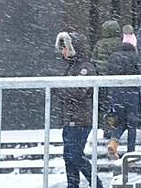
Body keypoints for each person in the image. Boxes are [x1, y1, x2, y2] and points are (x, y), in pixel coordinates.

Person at [55, 31, 104, 188]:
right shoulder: (71, 67)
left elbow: (79, 92)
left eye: (65, 48)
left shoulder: (86, 67)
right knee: (68, 156)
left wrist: (60, 89)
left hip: (81, 119)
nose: (62, 52)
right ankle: (73, 185)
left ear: (72, 48)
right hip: (69, 118)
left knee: (74, 155)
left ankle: (96, 183)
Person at [105, 41, 140, 160]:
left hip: (117, 93)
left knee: (120, 121)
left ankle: (113, 142)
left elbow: (108, 73)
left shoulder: (113, 57)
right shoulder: (135, 57)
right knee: (132, 124)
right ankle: (131, 153)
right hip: (132, 93)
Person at [91, 19, 122, 139]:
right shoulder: (120, 43)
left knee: (105, 106)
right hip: (117, 80)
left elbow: (93, 60)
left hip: (103, 79)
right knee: (117, 105)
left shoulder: (99, 44)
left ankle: (106, 129)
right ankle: (116, 128)